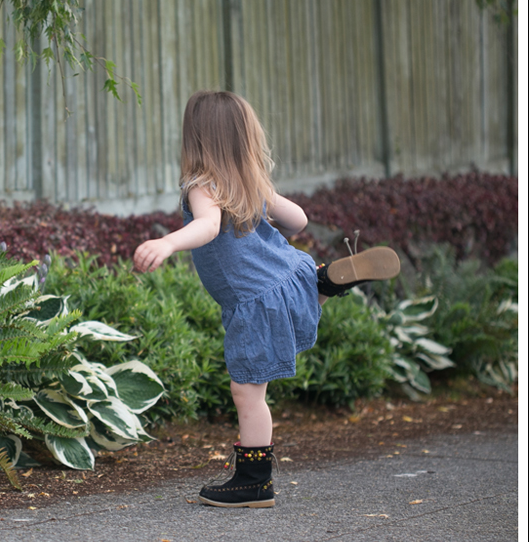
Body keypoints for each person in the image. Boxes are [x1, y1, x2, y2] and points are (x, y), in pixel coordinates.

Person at [133, 90, 399, 509]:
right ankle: (322, 284)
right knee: (288, 304)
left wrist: (168, 243)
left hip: (254, 300)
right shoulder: (250, 182)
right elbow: (299, 221)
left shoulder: (203, 187)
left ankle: (253, 481)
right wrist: (267, 198)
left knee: (248, 393)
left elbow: (205, 227)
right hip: (290, 272)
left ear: (196, 139)